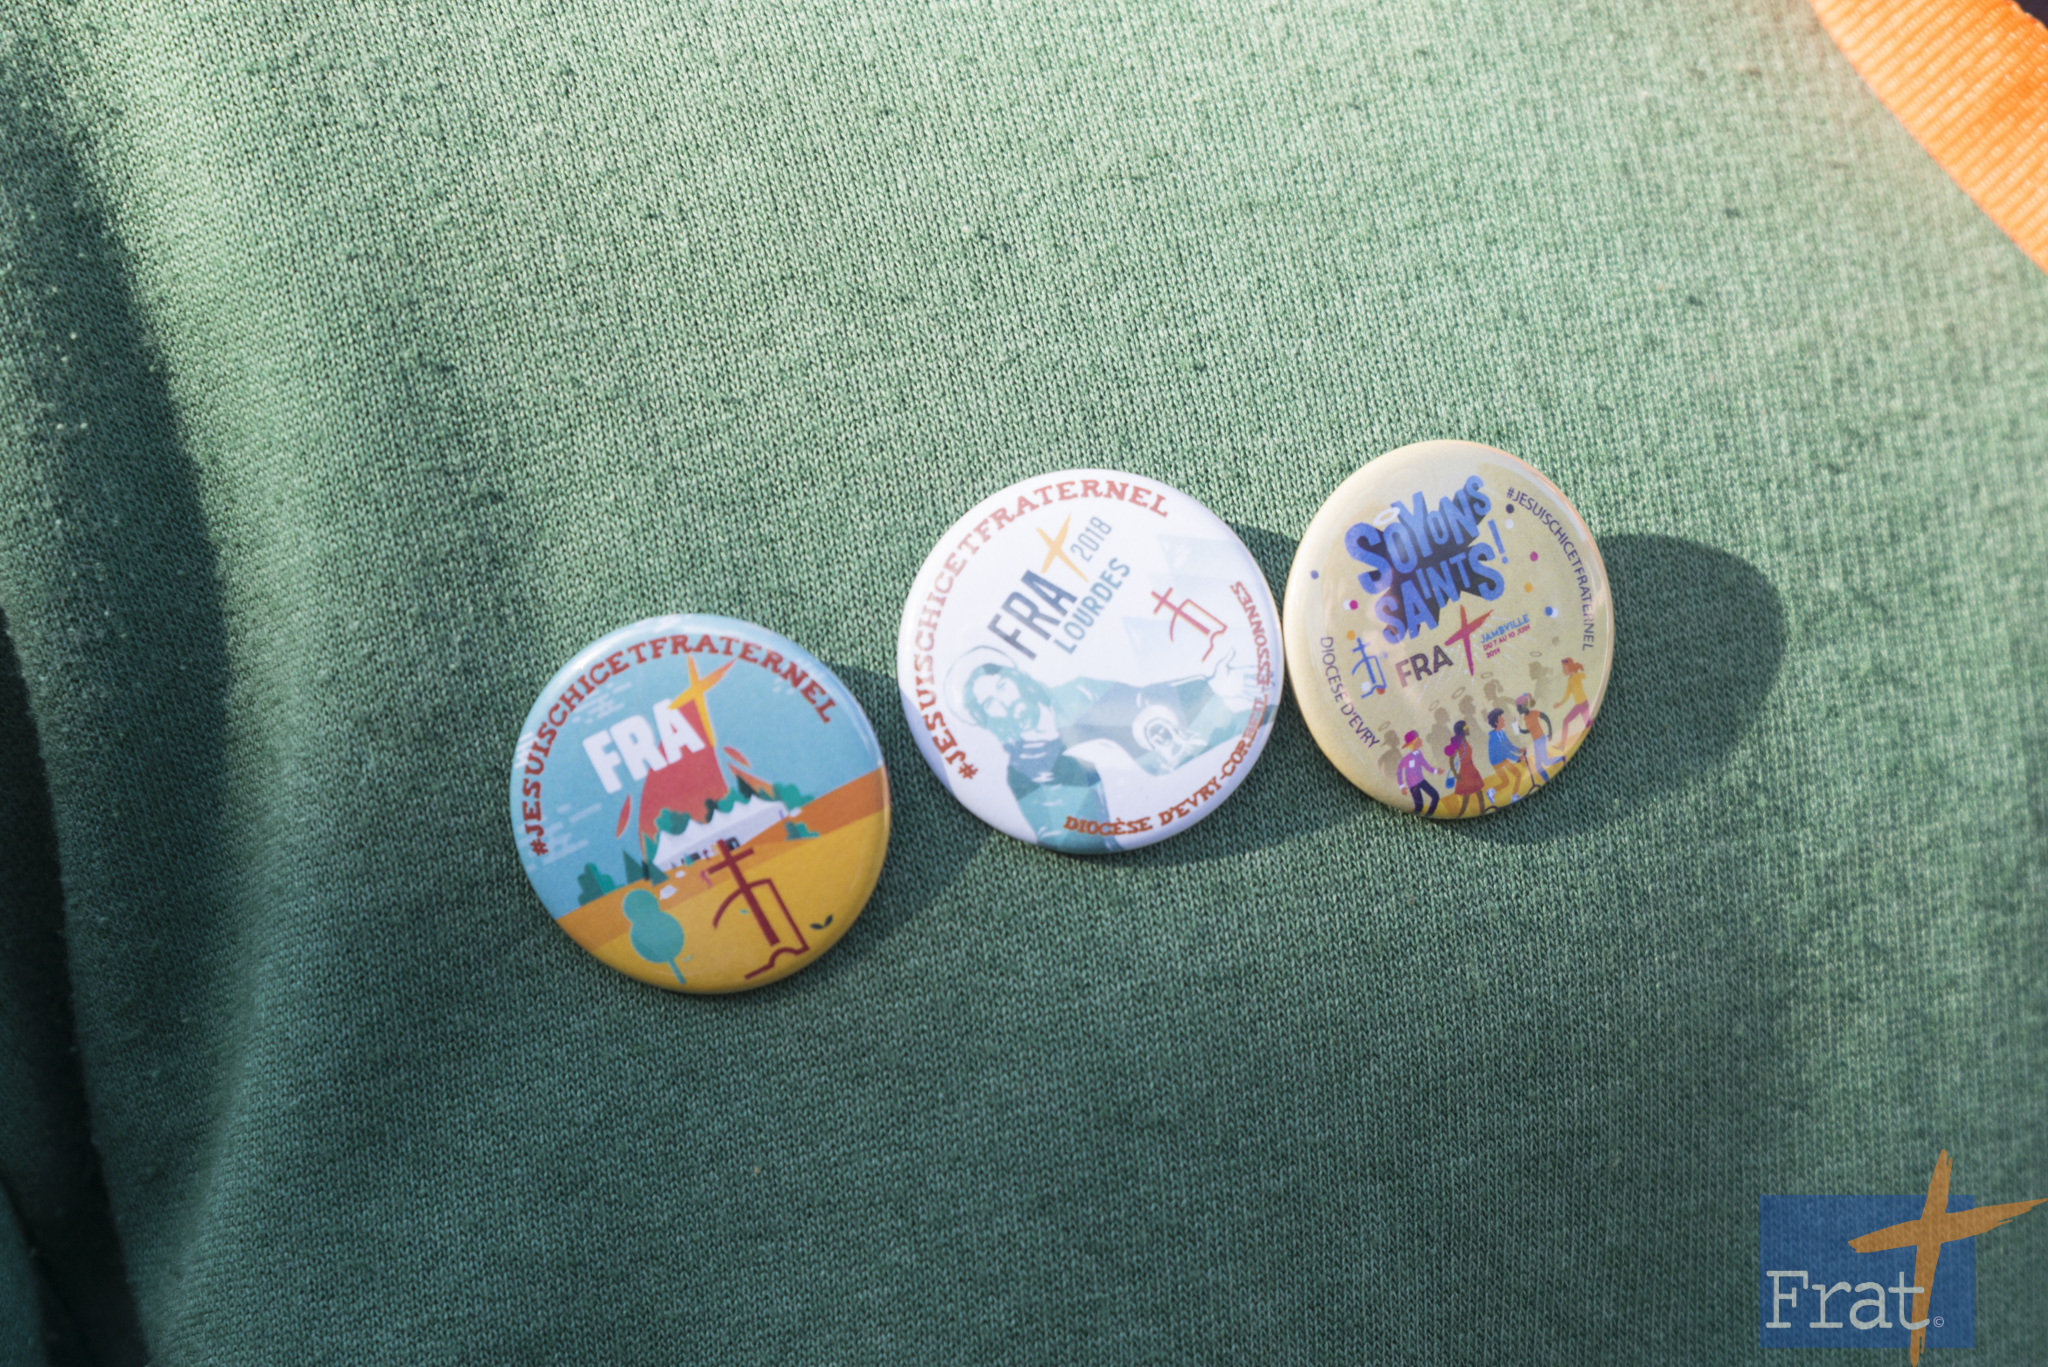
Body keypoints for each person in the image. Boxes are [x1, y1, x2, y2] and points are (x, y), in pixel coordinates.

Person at [952, 648, 1258, 851]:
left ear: (1018, 680)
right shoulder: (1025, 774)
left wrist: (1212, 687)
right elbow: (1075, 833)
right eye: (990, 704)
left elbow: (1143, 700)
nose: (1006, 703)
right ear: (986, 718)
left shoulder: (1078, 691)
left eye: (1002, 687)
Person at [1485, 707, 1532, 803]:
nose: (1504, 720)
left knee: (1515, 775)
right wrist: (1518, 758)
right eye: (1501, 719)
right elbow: (1505, 751)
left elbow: (1508, 745)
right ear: (1496, 723)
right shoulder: (1495, 737)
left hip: (1502, 759)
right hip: (1497, 762)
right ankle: (1493, 792)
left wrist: (1519, 750)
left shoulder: (1501, 732)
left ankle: (1512, 796)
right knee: (1506, 781)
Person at [1443, 720, 1487, 817]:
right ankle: (1462, 815)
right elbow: (1451, 761)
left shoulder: (1464, 741)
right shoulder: (1458, 744)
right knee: (1468, 795)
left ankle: (1481, 812)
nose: (1468, 729)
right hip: (1466, 771)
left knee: (1476, 793)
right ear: (1461, 730)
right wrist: (1456, 775)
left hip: (1472, 768)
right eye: (1466, 728)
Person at [1514, 692, 1557, 783]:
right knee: (1538, 766)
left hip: (1540, 739)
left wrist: (1550, 732)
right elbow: (1529, 730)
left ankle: (1562, 759)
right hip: (1536, 741)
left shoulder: (1533, 713)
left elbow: (1546, 717)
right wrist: (1519, 729)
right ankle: (1546, 780)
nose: (1518, 710)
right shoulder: (1525, 718)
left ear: (1524, 706)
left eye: (1519, 707)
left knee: (1546, 761)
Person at [1396, 731, 1439, 816]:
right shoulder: (1407, 758)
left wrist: (1436, 771)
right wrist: (1402, 786)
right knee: (1419, 806)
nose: (1421, 740)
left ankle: (1428, 815)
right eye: (1418, 739)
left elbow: (1425, 764)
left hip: (1421, 780)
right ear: (1413, 743)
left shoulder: (1419, 753)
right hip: (1413, 785)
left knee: (1435, 796)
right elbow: (1399, 770)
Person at [1556, 657, 1593, 745]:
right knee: (1566, 721)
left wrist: (1581, 670)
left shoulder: (1577, 676)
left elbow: (1586, 676)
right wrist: (1559, 704)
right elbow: (1567, 695)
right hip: (1579, 705)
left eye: (1564, 668)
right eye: (1562, 668)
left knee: (1587, 723)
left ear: (1569, 667)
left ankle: (1562, 745)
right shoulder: (1569, 680)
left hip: (1583, 704)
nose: (1563, 670)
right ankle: (1562, 745)